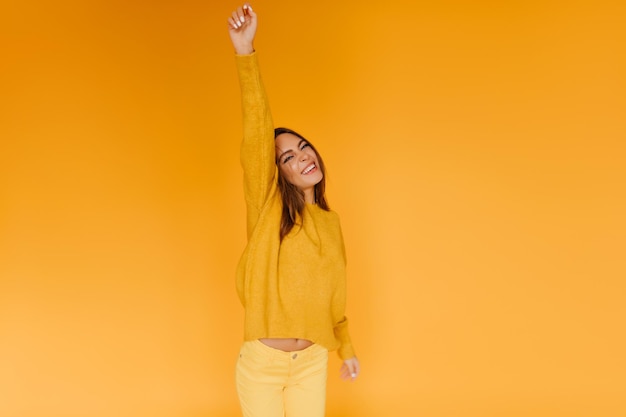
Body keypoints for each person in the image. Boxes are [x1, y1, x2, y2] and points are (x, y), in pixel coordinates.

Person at [227, 3, 361, 417]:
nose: (302, 156)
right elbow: (256, 126)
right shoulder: (266, 208)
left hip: (312, 363)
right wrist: (245, 52)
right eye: (287, 157)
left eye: (303, 146)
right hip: (263, 365)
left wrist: (347, 348)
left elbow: (334, 294)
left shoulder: (330, 222)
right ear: (276, 173)